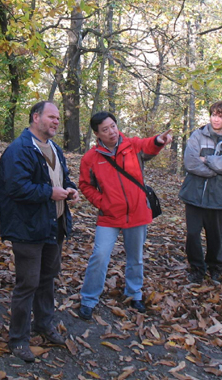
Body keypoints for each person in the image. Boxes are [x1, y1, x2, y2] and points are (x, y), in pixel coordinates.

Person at [0, 101, 79, 363]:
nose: (56, 121)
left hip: (54, 226)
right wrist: (49, 192)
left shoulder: (54, 148)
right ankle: (18, 339)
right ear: (36, 117)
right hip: (28, 228)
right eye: (51, 117)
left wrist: (70, 189)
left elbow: (61, 179)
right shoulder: (19, 149)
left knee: (47, 279)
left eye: (58, 118)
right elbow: (16, 188)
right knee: (28, 284)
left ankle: (43, 325)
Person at [77, 112, 172, 321]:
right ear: (97, 134)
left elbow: (148, 145)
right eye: (105, 129)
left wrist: (159, 140)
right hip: (109, 216)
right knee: (100, 255)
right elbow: (85, 185)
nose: (111, 132)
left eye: (113, 126)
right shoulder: (91, 158)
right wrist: (102, 202)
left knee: (135, 257)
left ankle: (134, 293)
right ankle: (89, 299)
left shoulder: (132, 146)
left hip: (137, 213)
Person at [179, 101, 222, 283]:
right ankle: (197, 269)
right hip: (194, 193)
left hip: (218, 196)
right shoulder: (198, 135)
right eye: (214, 115)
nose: (216, 119)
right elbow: (190, 163)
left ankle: (215, 268)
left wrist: (206, 159)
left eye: (220, 116)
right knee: (192, 234)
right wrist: (217, 168)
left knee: (215, 236)